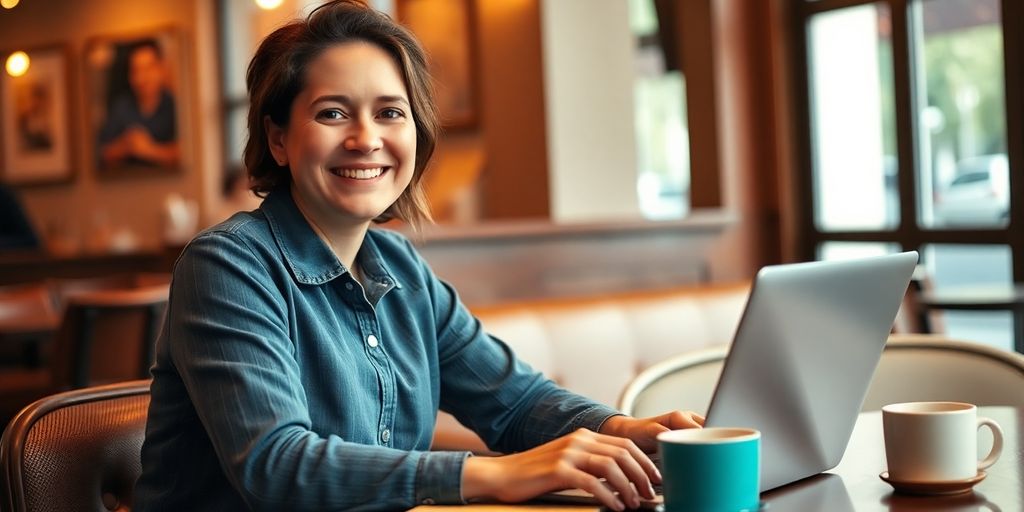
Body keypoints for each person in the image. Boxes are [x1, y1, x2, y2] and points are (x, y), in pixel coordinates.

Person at [133, 2, 703, 510]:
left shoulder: (401, 268)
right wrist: (490, 475)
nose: (365, 138)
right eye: (332, 113)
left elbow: (515, 402)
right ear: (278, 139)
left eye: (390, 112)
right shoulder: (226, 266)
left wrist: (623, 429)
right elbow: (276, 467)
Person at [96, 38, 180, 169]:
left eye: (148, 69)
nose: (141, 78)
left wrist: (149, 150)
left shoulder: (174, 106)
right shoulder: (121, 107)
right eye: (136, 71)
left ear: (161, 68)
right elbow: (100, 154)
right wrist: (124, 146)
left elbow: (186, 152)